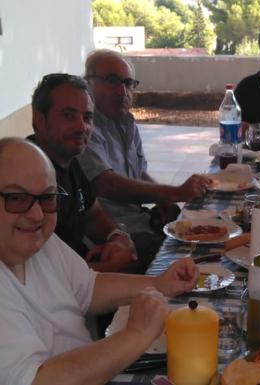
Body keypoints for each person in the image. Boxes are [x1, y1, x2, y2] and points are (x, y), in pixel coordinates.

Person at [0, 137, 199, 385]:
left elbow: (89, 287)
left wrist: (160, 283)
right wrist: (136, 335)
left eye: (47, 198)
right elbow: (38, 380)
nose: (37, 214)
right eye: (17, 198)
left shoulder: (41, 243)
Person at [78, 49, 211, 236]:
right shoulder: (84, 128)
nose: (122, 91)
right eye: (112, 81)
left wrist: (164, 200)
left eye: (128, 83)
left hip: (137, 218)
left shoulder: (125, 122)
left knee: (203, 226)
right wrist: (174, 193)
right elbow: (105, 183)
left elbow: (139, 172)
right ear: (87, 83)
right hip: (113, 232)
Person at [29, 73, 145, 273]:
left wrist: (117, 237)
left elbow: (94, 214)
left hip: (82, 271)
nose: (81, 126)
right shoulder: (28, 172)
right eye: (68, 115)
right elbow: (33, 275)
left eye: (87, 117)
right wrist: (106, 269)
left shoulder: (69, 160)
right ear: (39, 119)